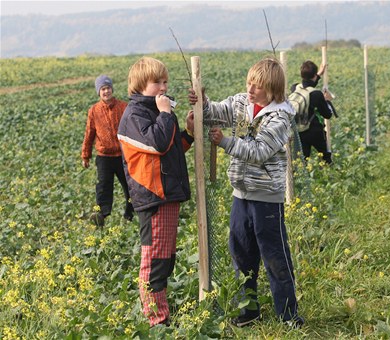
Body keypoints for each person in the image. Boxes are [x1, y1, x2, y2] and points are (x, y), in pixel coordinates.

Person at [188, 57, 304, 328]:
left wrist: (225, 142)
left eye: (258, 86)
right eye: (249, 82)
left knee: (275, 257)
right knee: (241, 254)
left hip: (266, 198)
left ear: (273, 90)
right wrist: (201, 102)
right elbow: (215, 112)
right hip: (241, 194)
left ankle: (289, 315)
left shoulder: (280, 117)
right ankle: (248, 310)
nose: (251, 89)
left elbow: (260, 151)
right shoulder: (242, 103)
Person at [117, 56, 195, 327]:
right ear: (139, 86)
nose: (163, 87)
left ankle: (160, 314)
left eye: (165, 81)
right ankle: (156, 322)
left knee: (166, 257)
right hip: (153, 197)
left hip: (165, 195)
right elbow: (158, 144)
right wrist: (165, 114)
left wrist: (189, 134)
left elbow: (170, 152)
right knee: (155, 260)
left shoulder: (155, 112)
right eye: (156, 82)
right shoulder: (135, 116)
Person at [81, 74, 134, 227]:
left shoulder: (123, 107)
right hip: (104, 156)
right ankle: (101, 216)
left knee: (130, 185)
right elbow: (89, 134)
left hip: (123, 154)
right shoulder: (94, 111)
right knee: (103, 186)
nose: (106, 91)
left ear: (112, 89)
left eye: (108, 88)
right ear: (99, 92)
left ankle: (130, 213)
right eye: (103, 89)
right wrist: (86, 155)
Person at [291, 60, 336, 164]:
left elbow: (307, 86)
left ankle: (299, 178)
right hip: (315, 132)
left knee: (301, 161)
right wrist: (327, 100)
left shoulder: (295, 88)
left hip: (299, 132)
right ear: (314, 76)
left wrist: (318, 75)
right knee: (325, 157)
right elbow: (327, 115)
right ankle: (326, 175)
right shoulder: (317, 94)